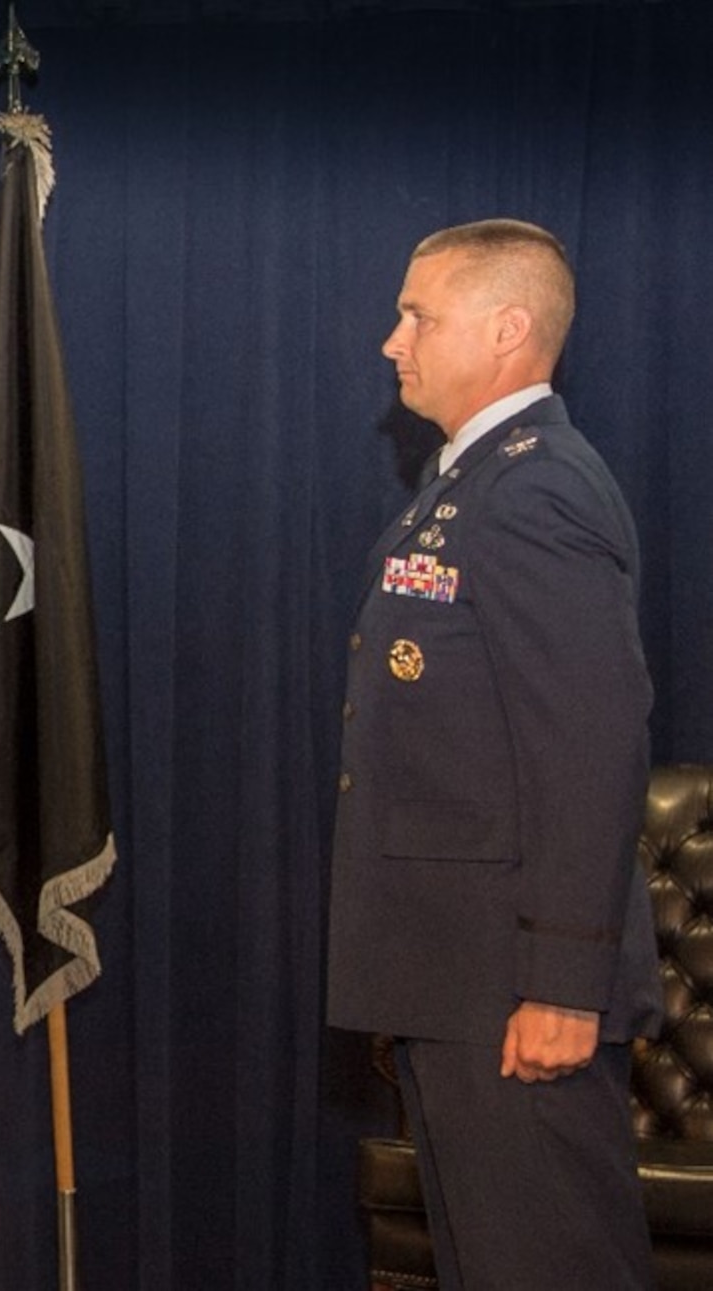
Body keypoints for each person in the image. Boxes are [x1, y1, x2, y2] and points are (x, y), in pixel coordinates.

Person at [328, 219, 660, 1288]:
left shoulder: (536, 488)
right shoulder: (463, 486)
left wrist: (561, 982)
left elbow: (588, 748)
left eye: (417, 313)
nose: (392, 340)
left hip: (513, 987)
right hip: (455, 979)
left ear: (507, 328)